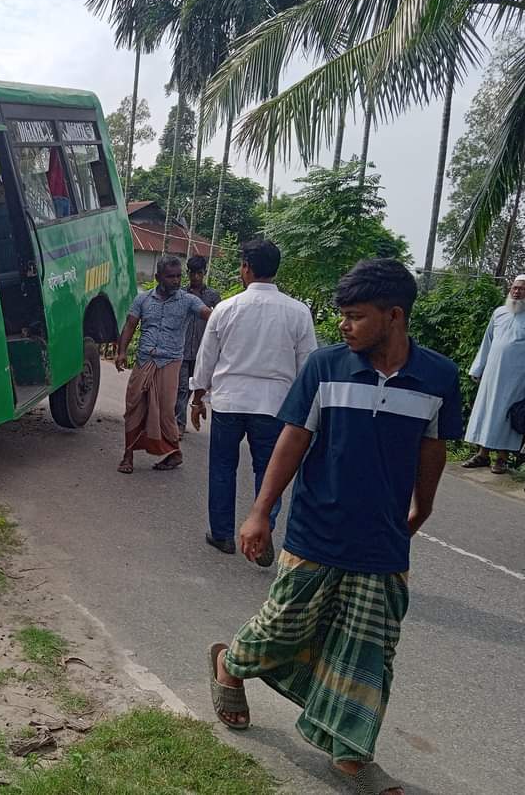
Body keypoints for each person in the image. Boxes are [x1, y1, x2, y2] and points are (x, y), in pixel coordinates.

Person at [207, 259, 462, 795]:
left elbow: (432, 447)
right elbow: (293, 439)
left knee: (371, 649)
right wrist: (259, 511)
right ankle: (231, 664)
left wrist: (425, 505)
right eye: (341, 316)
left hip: (383, 541)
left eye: (355, 316)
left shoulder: (438, 377)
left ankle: (351, 753)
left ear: (395, 316)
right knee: (283, 628)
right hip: (315, 532)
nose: (343, 326)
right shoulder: (325, 366)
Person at [190, 240, 317, 564]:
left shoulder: (227, 308)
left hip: (230, 401)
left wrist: (197, 395)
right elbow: (308, 366)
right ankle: (264, 530)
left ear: (246, 267)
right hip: (275, 405)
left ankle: (222, 534)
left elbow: (207, 358)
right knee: (269, 470)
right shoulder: (298, 312)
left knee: (222, 467)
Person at [115, 256, 212, 473]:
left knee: (165, 412)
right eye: (170, 276)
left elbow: (210, 316)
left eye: (178, 276)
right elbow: (130, 325)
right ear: (158, 277)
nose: (176, 281)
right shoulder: (143, 300)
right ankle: (128, 455)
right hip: (144, 359)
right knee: (134, 406)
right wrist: (122, 352)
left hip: (170, 362)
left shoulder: (189, 301)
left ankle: (173, 453)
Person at [461, 275, 525, 475]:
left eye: (521, 289)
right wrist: (478, 368)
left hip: (517, 378)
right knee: (487, 412)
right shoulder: (499, 313)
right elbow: (487, 341)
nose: (516, 292)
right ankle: (482, 455)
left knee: (506, 417)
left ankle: (502, 459)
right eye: (514, 288)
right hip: (492, 374)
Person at [175, 255, 221, 438]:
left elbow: (219, 321)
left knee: (196, 388)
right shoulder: (181, 294)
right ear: (188, 273)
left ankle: (183, 416)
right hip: (182, 348)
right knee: (181, 387)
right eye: (193, 273)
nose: (196, 277)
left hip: (203, 350)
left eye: (199, 274)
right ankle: (179, 424)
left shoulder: (212, 297)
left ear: (204, 273)